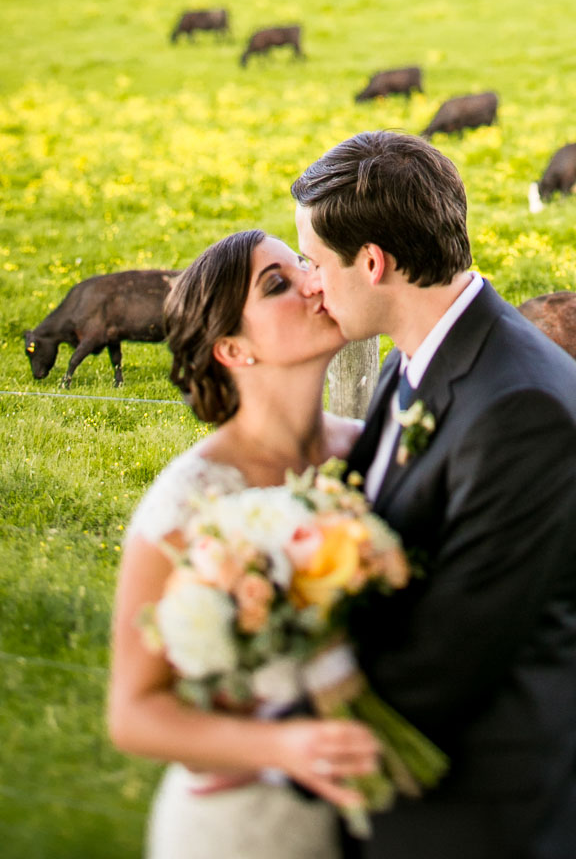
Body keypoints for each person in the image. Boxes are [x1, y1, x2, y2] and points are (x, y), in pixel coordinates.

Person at [293, 130, 576, 859]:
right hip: (402, 803)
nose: (310, 284)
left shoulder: (522, 409)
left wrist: (266, 730)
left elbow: (445, 657)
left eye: (314, 263)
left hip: (479, 820)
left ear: (373, 263)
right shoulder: (409, 363)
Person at [108, 230, 380, 859]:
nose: (315, 281)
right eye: (278, 284)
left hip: (381, 808)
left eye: (305, 265)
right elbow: (133, 713)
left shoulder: (372, 451)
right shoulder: (188, 502)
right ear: (233, 348)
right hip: (244, 825)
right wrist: (280, 748)